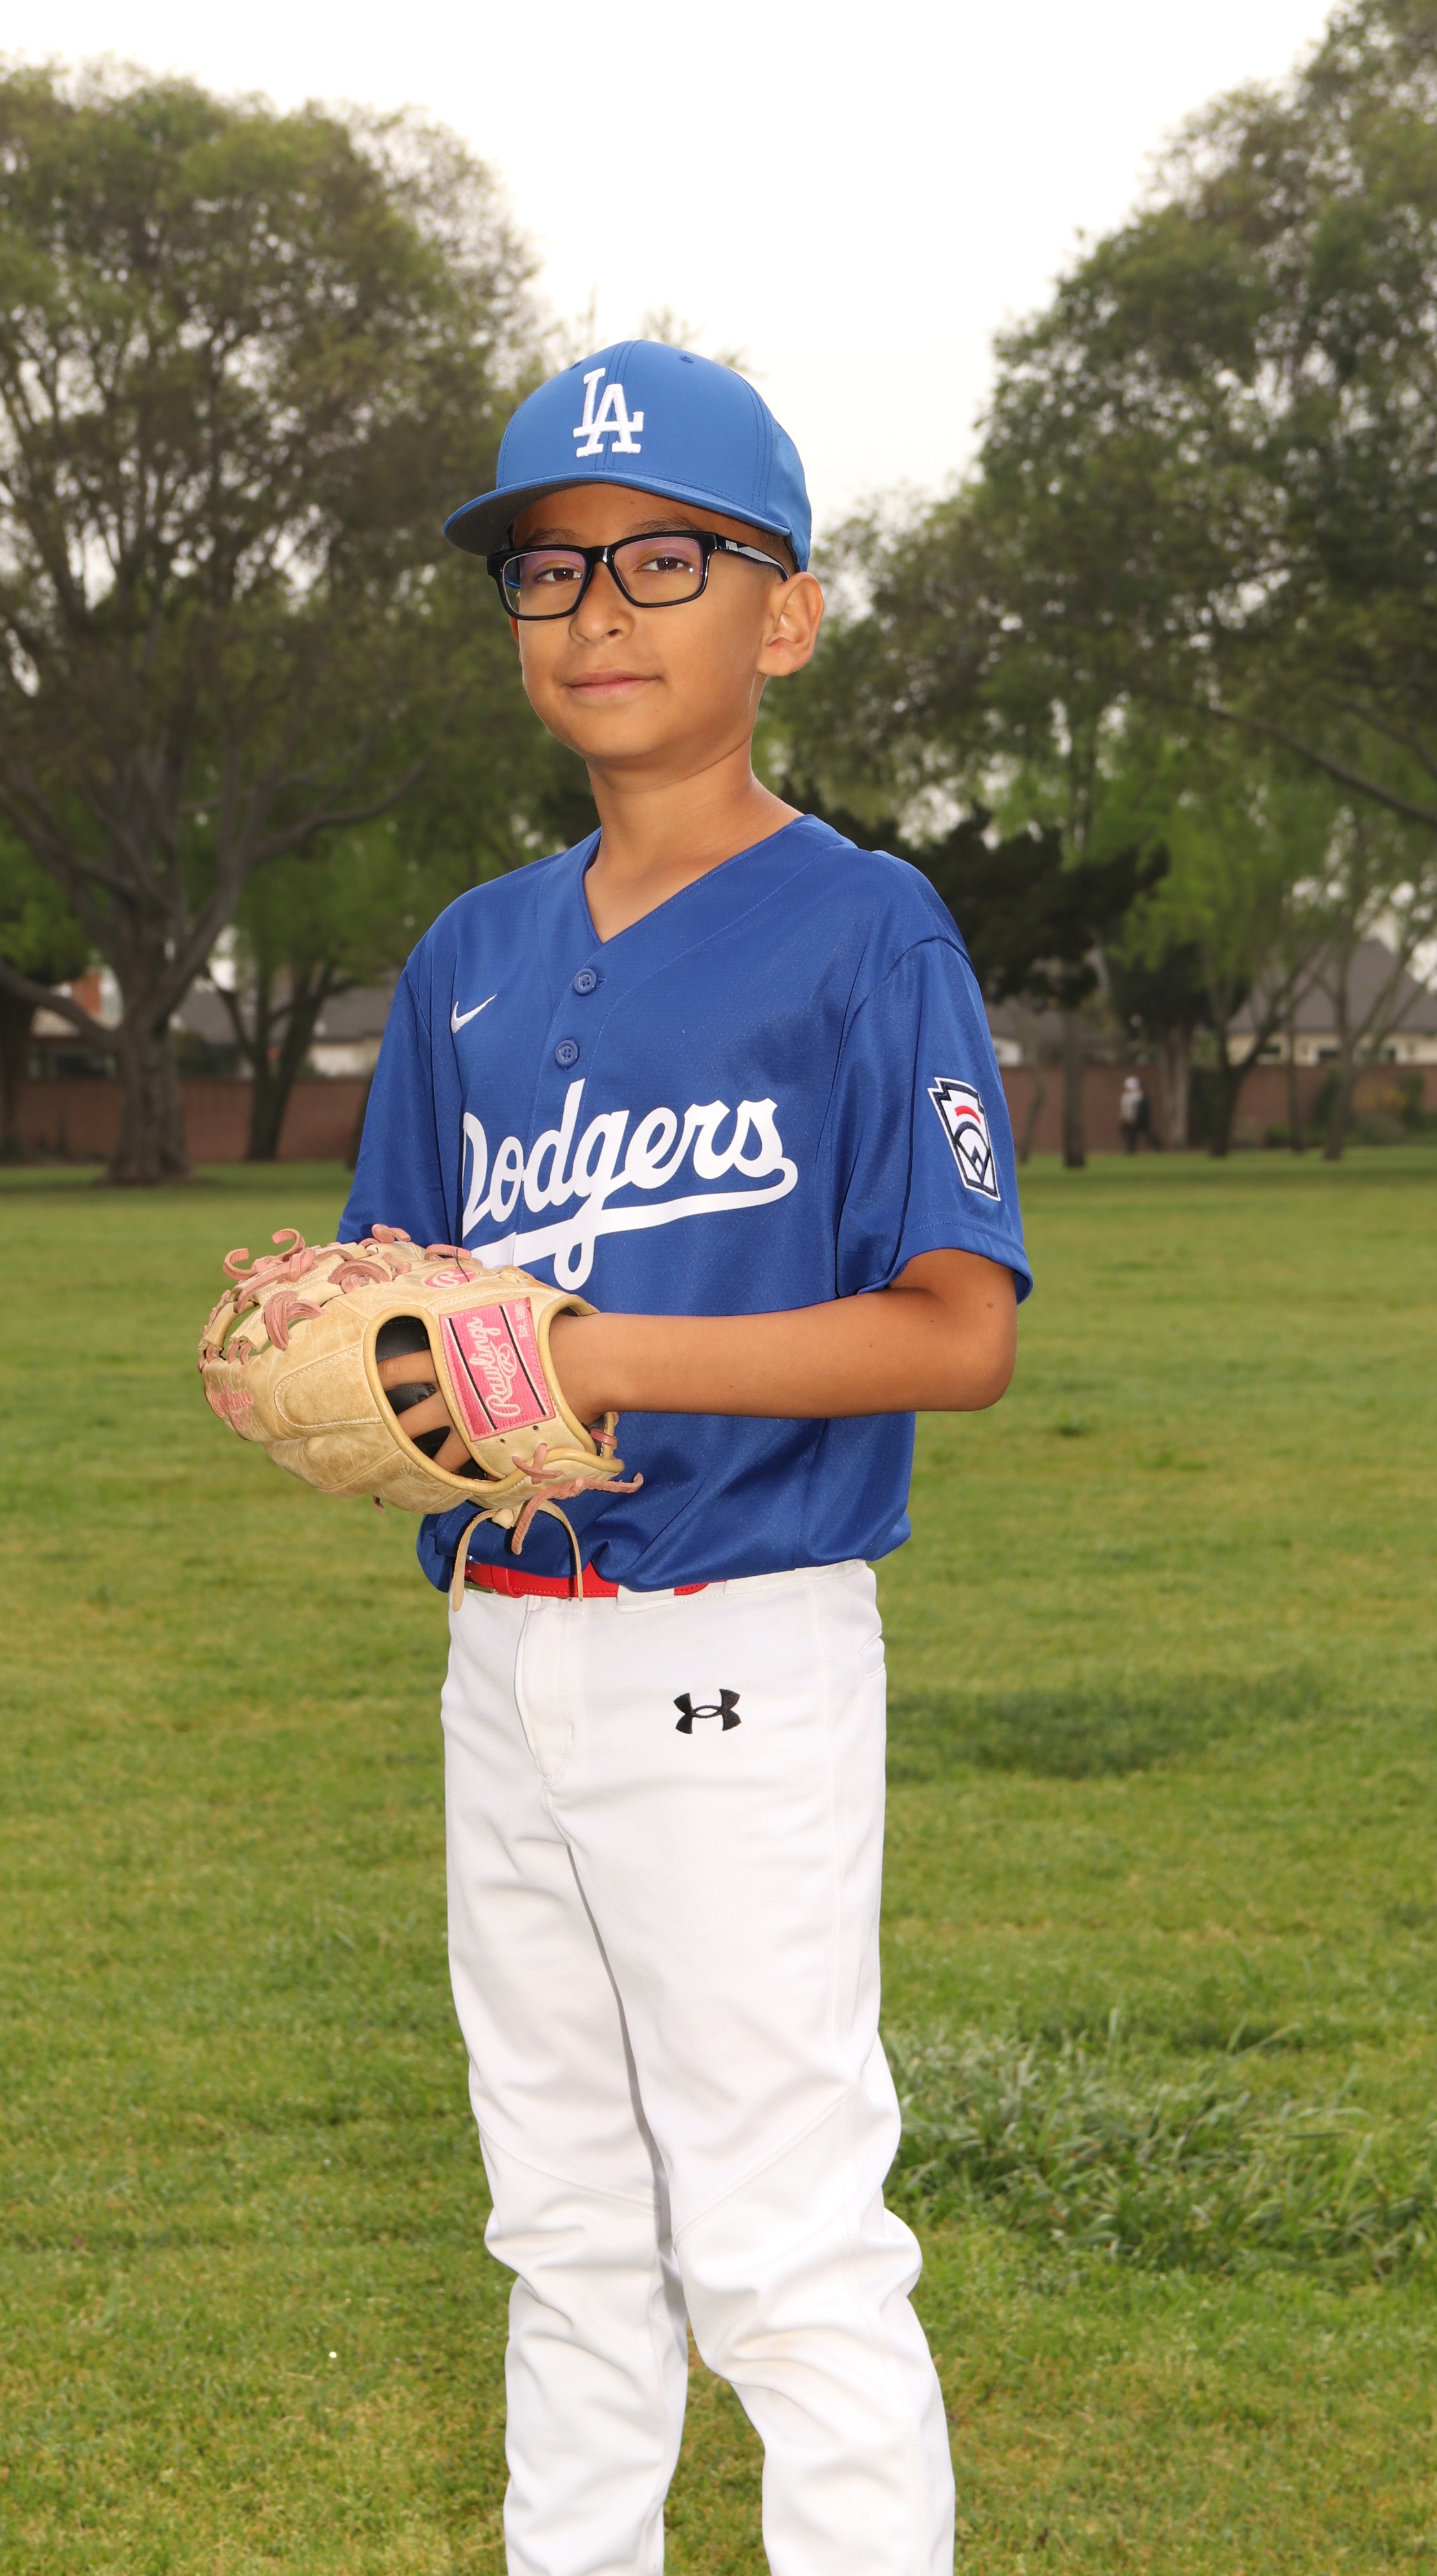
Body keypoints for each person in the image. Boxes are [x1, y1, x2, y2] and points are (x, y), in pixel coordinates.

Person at [340, 341, 1030, 2576]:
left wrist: (593, 1350)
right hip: (503, 1643)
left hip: (736, 1649)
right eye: (549, 570)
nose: (598, 610)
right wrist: (333, 1355)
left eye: (665, 560)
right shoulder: (470, 957)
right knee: (561, 2225)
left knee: (780, 2243)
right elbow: (407, 1320)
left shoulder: (864, 926)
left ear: (785, 615)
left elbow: (959, 1330)